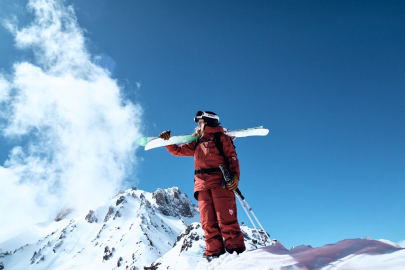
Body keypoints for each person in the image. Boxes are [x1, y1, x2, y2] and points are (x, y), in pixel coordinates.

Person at [159, 111, 246, 260]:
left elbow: (232, 158)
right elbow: (178, 151)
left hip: (220, 183)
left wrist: (235, 177)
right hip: (201, 187)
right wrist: (168, 142)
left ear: (208, 122)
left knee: (227, 220)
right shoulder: (197, 142)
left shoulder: (222, 138)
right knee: (208, 224)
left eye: (200, 122)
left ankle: (237, 256)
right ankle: (214, 256)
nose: (198, 125)